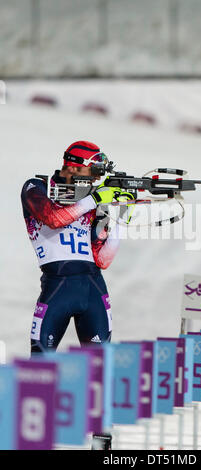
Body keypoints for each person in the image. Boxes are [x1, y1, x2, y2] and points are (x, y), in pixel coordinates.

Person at [21, 140, 132, 450]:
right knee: (41, 363)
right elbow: (53, 218)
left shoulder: (91, 202)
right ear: (73, 164)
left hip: (93, 286)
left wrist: (121, 217)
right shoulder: (37, 186)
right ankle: (35, 437)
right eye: (91, 171)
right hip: (57, 285)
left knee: (101, 366)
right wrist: (96, 197)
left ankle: (101, 444)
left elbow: (103, 259)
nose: (95, 178)